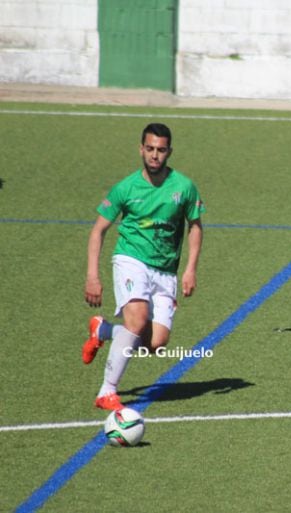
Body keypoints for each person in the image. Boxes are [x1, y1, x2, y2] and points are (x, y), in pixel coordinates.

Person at [82, 123, 205, 411]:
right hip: (131, 259)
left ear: (169, 152)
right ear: (141, 149)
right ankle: (107, 391)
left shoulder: (184, 187)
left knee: (156, 343)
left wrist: (190, 269)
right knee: (136, 321)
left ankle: (103, 331)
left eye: (161, 150)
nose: (154, 155)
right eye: (149, 149)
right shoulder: (125, 188)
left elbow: (195, 226)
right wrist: (92, 276)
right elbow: (98, 231)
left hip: (165, 271)